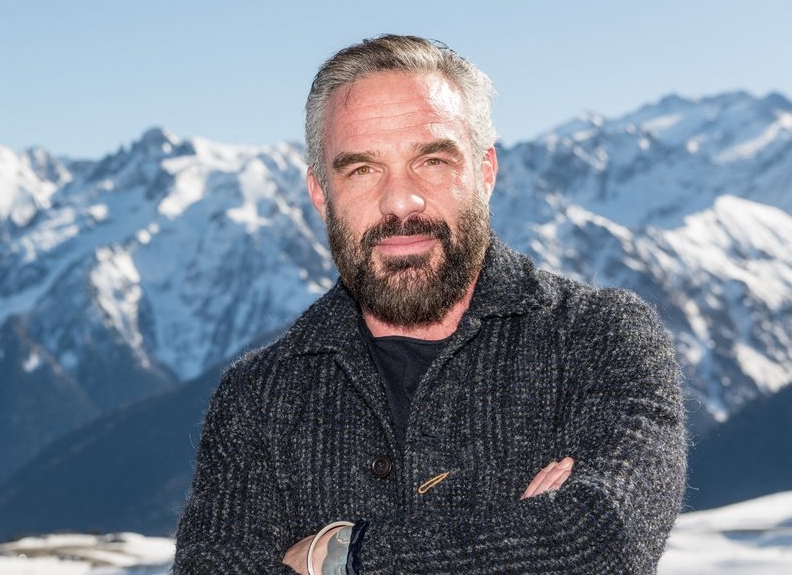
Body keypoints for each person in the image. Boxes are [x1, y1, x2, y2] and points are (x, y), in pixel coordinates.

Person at [172, 34, 687, 574]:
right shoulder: (256, 396)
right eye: (362, 169)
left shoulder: (600, 338)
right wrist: (522, 541)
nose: (400, 201)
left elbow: (604, 541)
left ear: (485, 173)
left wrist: (343, 556)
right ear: (320, 194)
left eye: (433, 160)